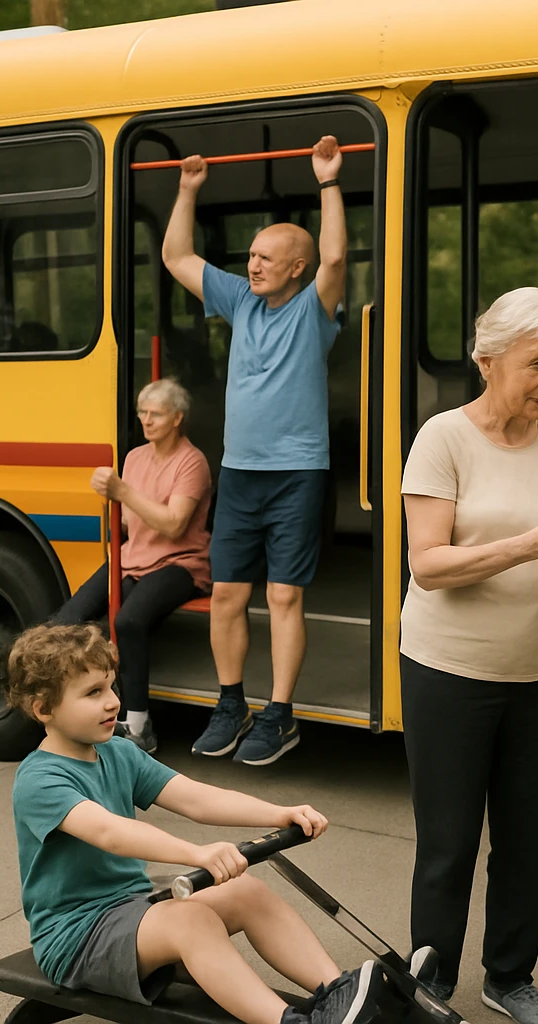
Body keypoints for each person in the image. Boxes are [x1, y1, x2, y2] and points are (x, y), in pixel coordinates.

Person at [400, 288, 538, 1024]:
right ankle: (427, 982)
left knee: (527, 836)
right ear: (488, 360)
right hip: (447, 671)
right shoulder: (442, 439)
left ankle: (510, 978)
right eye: (537, 364)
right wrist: (527, 543)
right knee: (450, 842)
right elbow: (427, 565)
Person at [4, 622, 386, 1024]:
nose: (113, 702)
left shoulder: (117, 752)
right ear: (44, 708)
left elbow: (195, 798)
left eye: (112, 687)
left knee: (246, 892)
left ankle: (343, 996)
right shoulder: (39, 780)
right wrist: (198, 853)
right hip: (76, 936)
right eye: (93, 693)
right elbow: (109, 832)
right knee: (192, 919)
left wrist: (279, 813)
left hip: (132, 908)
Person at [161, 136, 347, 768]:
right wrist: (188, 189)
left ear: (299, 265)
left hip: (297, 474)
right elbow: (177, 254)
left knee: (285, 598)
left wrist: (327, 182)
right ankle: (231, 704)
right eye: (251, 254)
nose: (254, 265)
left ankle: (280, 714)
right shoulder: (239, 301)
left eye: (268, 257)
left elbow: (337, 255)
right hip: (238, 474)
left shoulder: (316, 308)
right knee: (227, 596)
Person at [52, 378, 211, 755]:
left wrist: (123, 493)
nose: (146, 420)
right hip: (133, 556)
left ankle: (139, 726)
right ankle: (63, 710)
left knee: (128, 621)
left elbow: (174, 523)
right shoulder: (135, 457)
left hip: (179, 563)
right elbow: (125, 522)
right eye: (142, 412)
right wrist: (110, 502)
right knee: (66, 620)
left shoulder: (193, 462)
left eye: (156, 413)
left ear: (177, 418)